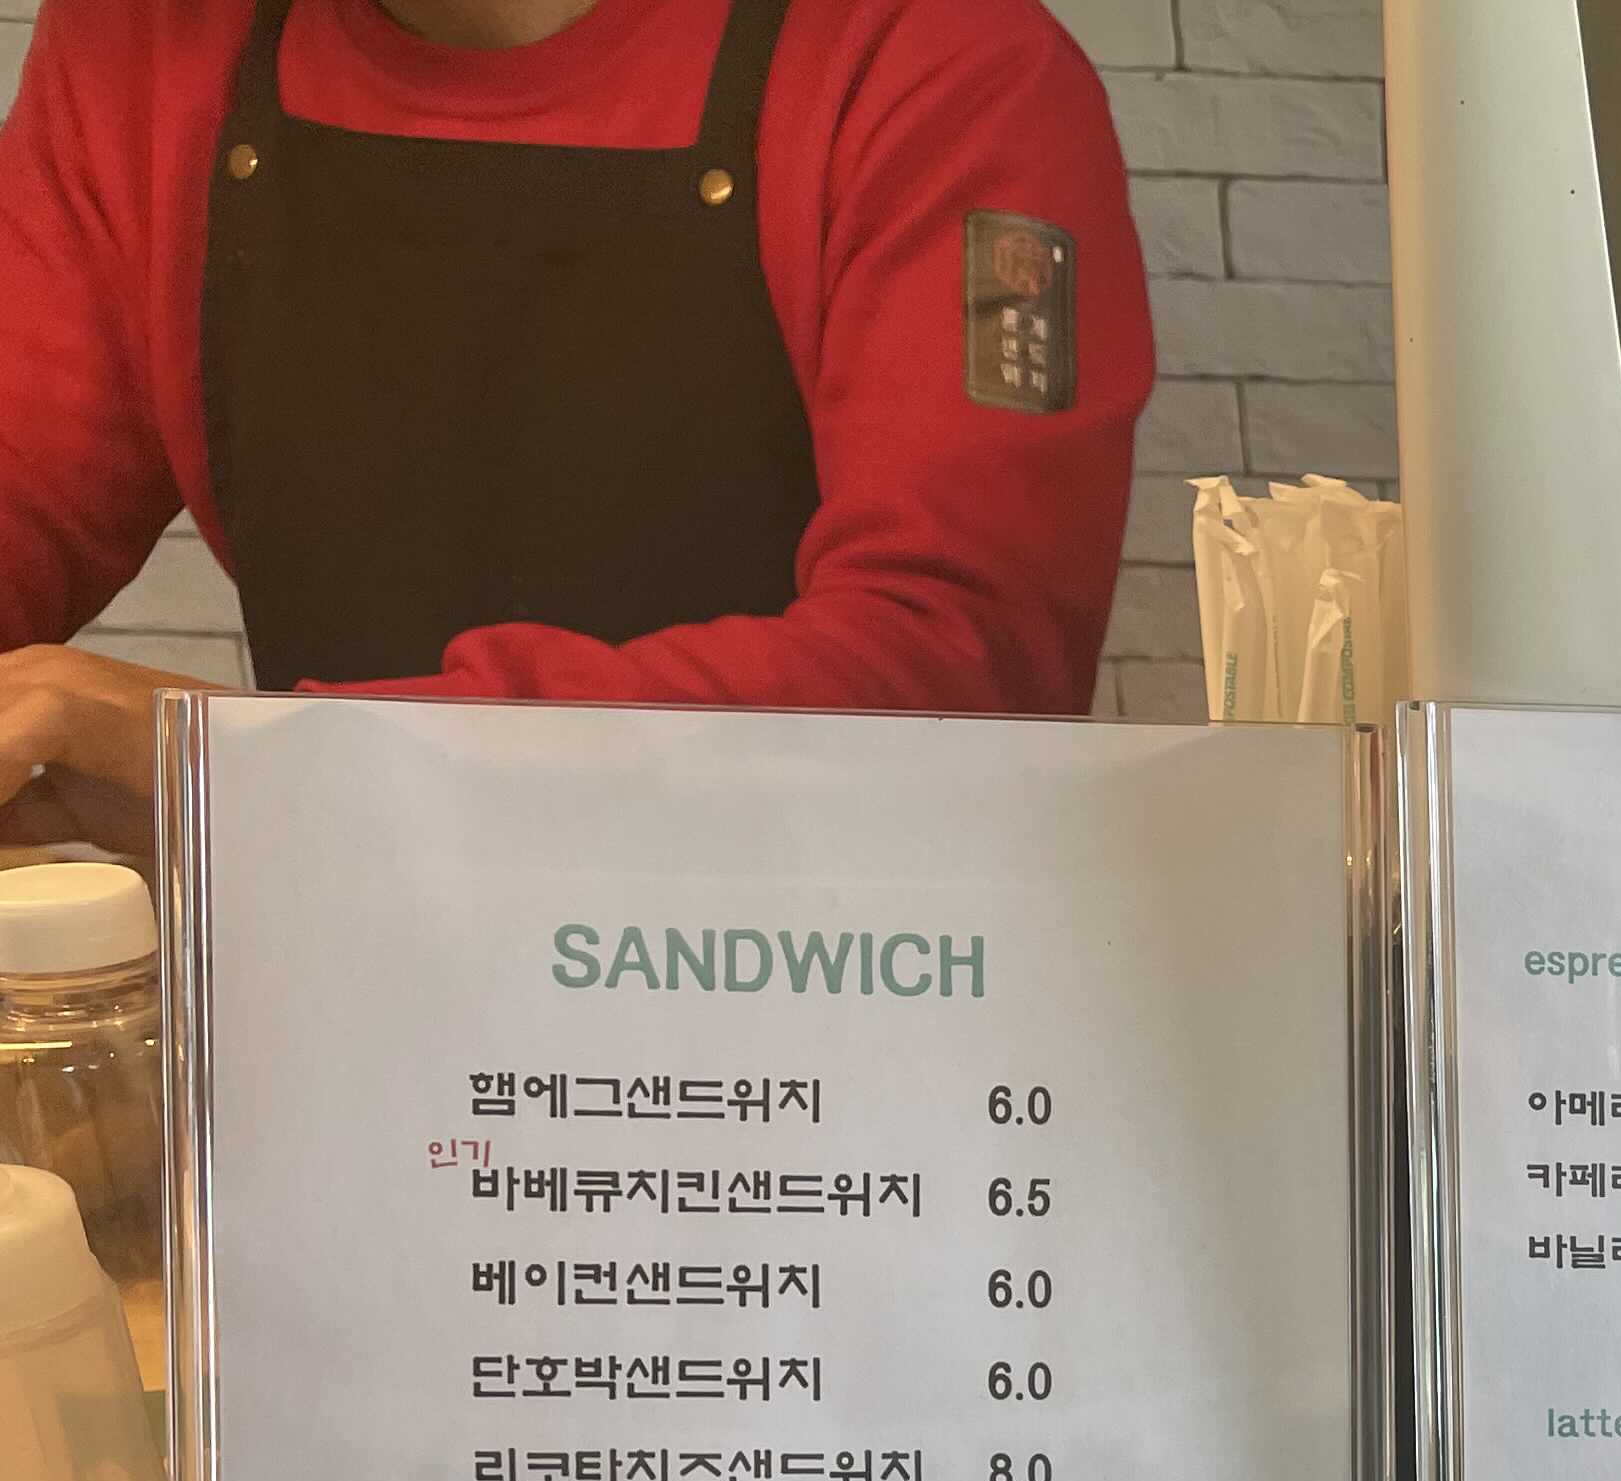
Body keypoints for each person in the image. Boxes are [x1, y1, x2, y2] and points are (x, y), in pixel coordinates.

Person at [0, 0, 1154, 848]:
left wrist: (260, 774)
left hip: (828, 995)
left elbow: (959, 671)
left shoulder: (945, 72)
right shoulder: (148, 48)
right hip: (346, 962)